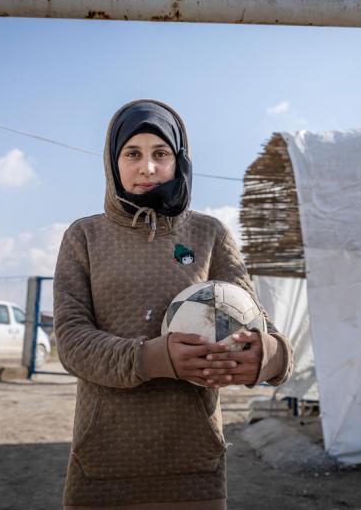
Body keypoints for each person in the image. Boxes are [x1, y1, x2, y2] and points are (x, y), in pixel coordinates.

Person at [53, 99, 293, 510]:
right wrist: (153, 358)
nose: (147, 168)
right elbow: (73, 342)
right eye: (133, 154)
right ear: (113, 162)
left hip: (193, 463)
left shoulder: (208, 234)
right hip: (105, 461)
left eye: (160, 154)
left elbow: (259, 324)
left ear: (179, 161)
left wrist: (267, 356)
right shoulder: (85, 237)